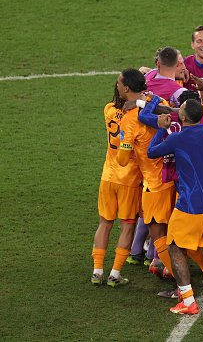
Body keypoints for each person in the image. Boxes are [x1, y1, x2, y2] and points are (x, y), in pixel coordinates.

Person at [146, 99, 203, 315]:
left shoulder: (177, 137)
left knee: (175, 248)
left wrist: (161, 129)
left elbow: (152, 153)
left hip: (189, 205)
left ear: (185, 117)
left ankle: (188, 300)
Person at [116, 68, 177, 291]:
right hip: (172, 176)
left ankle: (182, 285)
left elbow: (122, 160)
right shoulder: (155, 99)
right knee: (174, 230)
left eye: (119, 83)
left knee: (157, 234)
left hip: (153, 183)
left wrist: (123, 145)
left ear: (126, 88)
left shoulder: (129, 119)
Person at [91, 77, 143, 287]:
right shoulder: (139, 115)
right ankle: (115, 274)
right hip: (130, 179)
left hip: (108, 176)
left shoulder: (109, 109)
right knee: (128, 226)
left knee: (104, 223)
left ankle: (97, 272)